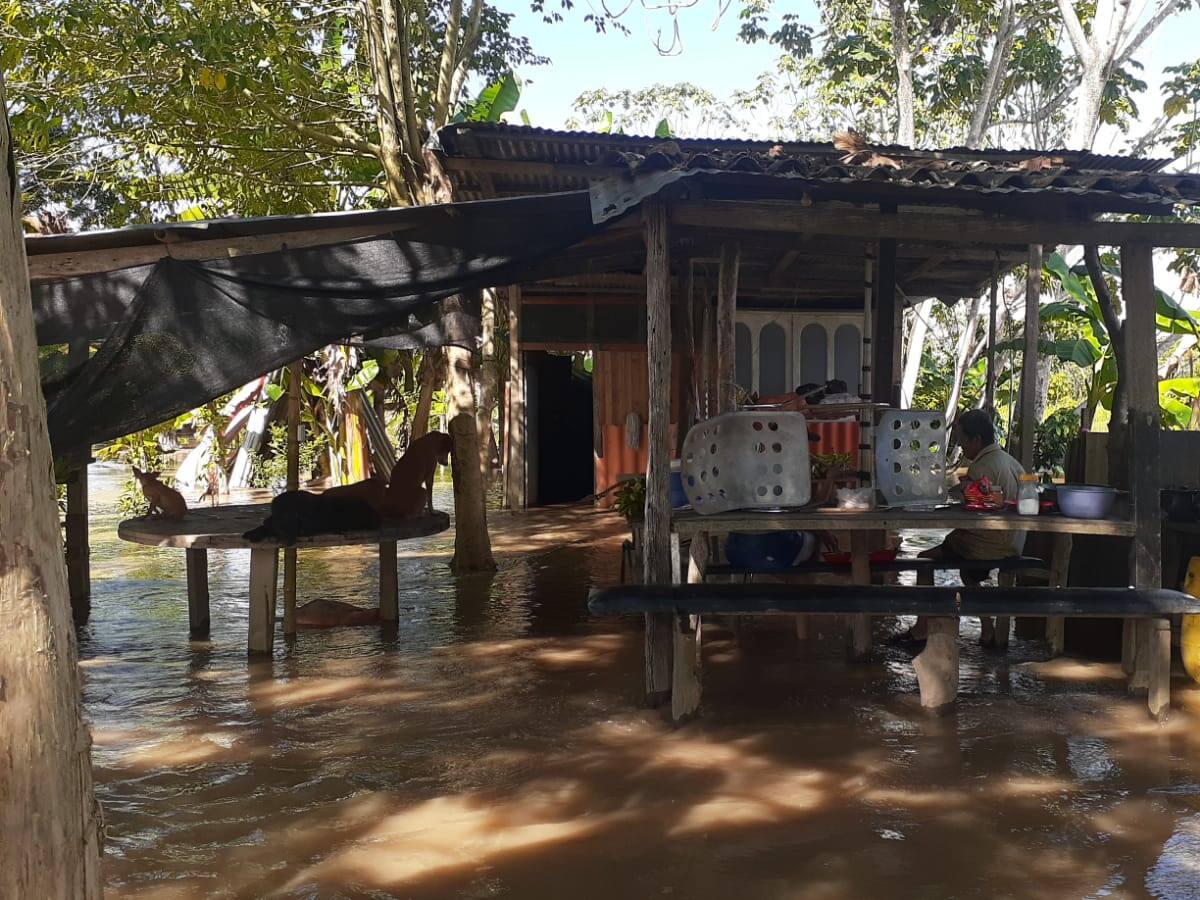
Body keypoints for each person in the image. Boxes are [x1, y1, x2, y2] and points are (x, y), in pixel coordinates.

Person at [899, 409, 1027, 647]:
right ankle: (988, 629)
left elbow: (972, 511)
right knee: (967, 573)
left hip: (987, 544)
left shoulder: (981, 468)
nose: (961, 448)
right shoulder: (1012, 463)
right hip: (1015, 542)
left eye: (963, 442)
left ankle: (921, 629)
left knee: (923, 559)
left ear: (976, 440)